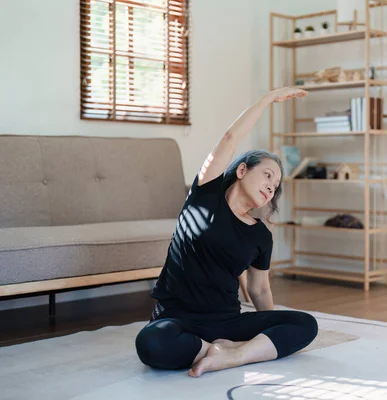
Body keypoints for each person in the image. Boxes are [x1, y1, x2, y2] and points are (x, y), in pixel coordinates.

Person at [134, 87, 318, 378]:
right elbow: (230, 138)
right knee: (151, 343)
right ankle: (215, 350)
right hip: (177, 318)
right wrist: (268, 98)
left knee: (306, 325)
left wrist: (267, 324)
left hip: (227, 321)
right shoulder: (205, 194)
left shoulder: (261, 236)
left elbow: (259, 289)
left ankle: (233, 356)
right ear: (243, 170)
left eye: (276, 185)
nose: (272, 187)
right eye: (267, 175)